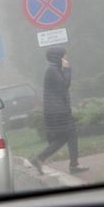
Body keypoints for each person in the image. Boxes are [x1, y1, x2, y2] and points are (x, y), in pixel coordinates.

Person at [30, 47, 89, 175]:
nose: (66, 59)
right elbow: (64, 85)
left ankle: (39, 159)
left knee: (64, 137)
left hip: (56, 110)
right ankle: (73, 165)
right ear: (58, 57)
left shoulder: (54, 69)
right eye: (64, 56)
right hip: (58, 111)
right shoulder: (52, 70)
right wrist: (67, 69)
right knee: (71, 133)